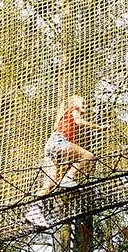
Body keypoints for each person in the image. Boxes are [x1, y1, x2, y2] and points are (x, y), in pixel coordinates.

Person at [26, 96, 109, 227]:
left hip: (50, 145)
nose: (84, 106)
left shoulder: (62, 117)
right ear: (74, 103)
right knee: (88, 156)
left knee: (51, 181)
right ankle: (69, 177)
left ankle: (34, 211)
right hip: (58, 141)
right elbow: (79, 122)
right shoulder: (73, 109)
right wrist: (98, 127)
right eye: (83, 103)